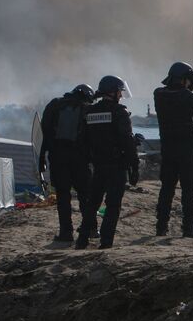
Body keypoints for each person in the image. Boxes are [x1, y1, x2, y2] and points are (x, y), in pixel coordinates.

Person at [153, 61, 193, 240]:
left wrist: (191, 82)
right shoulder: (186, 96)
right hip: (186, 150)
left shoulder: (159, 94)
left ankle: (161, 226)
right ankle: (189, 227)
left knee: (167, 189)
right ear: (184, 80)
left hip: (168, 149)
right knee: (188, 189)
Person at [79, 75, 138, 250]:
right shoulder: (120, 113)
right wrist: (134, 166)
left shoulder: (89, 112)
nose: (121, 94)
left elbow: (83, 140)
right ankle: (106, 242)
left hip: (98, 166)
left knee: (92, 204)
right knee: (112, 206)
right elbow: (127, 141)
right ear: (113, 91)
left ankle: (82, 239)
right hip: (116, 166)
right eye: (119, 91)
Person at [39, 83, 95, 244]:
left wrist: (42, 157)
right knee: (86, 195)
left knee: (63, 196)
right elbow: (93, 137)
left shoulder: (54, 105)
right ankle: (90, 229)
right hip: (80, 160)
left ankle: (66, 232)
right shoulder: (87, 109)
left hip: (58, 158)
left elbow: (43, 134)